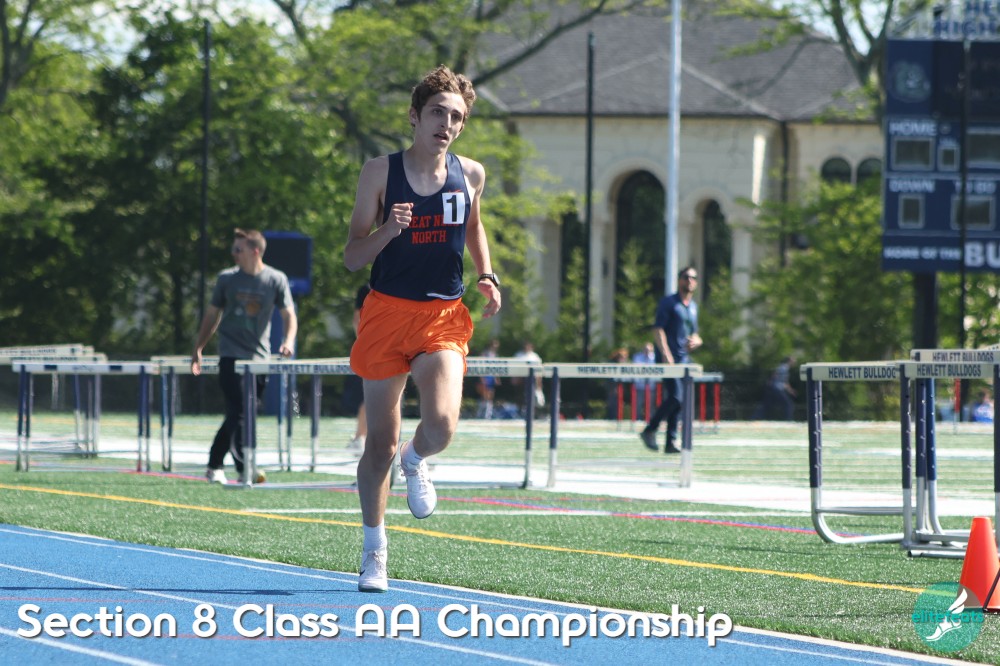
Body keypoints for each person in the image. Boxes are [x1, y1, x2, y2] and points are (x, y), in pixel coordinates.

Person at [343, 65, 501, 593]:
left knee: (442, 427)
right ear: (414, 116)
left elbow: (473, 225)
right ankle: (374, 550)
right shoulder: (379, 173)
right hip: (387, 314)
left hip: (442, 316)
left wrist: (486, 274)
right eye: (438, 113)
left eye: (457, 117)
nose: (447, 124)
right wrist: (390, 229)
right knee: (378, 446)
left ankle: (417, 459)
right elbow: (352, 256)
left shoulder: (471, 174)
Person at [191, 228, 298, 484]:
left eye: (238, 249)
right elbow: (212, 315)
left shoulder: (275, 279)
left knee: (241, 413)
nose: (233, 254)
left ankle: (215, 465)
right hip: (230, 356)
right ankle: (245, 467)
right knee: (239, 410)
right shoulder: (226, 279)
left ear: (255, 251)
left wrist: (288, 341)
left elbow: (289, 315)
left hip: (258, 359)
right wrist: (198, 347)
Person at [639, 267, 701, 454]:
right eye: (686, 277)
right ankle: (650, 429)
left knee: (680, 400)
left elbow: (694, 333)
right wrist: (666, 355)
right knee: (676, 396)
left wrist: (697, 340)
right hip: (668, 359)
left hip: (684, 359)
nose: (690, 280)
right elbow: (658, 329)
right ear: (679, 280)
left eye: (693, 278)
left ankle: (670, 442)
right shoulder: (669, 303)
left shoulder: (693, 307)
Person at [344, 284, 372, 453]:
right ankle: (360, 436)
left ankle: (360, 437)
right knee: (370, 394)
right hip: (374, 347)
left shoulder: (398, 283)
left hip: (389, 347)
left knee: (374, 394)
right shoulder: (367, 289)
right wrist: (364, 343)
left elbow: (356, 319)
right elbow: (357, 319)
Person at [752, 356, 796, 421]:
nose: (794, 362)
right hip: (777, 389)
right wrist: (790, 390)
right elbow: (779, 378)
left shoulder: (783, 367)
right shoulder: (784, 368)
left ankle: (754, 418)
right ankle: (789, 420)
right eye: (793, 361)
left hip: (774, 388)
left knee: (766, 405)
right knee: (788, 404)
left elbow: (783, 381)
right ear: (789, 361)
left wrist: (790, 390)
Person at [514, 341, 545, 408]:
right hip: (520, 379)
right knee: (520, 396)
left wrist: (539, 384)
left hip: (532, 380)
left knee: (532, 395)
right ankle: (521, 409)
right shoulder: (518, 355)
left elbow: (539, 371)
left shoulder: (535, 356)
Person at [476, 339, 501, 419]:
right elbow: (480, 366)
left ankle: (488, 415)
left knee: (490, 396)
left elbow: (495, 367)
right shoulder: (484, 354)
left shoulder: (495, 355)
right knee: (484, 396)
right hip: (485, 376)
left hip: (491, 377)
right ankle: (480, 414)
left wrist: (497, 378)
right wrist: (482, 378)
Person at [632, 342, 656, 420]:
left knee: (650, 404)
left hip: (651, 385)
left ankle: (651, 419)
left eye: (648, 349)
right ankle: (637, 419)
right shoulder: (637, 357)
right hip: (640, 385)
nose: (647, 351)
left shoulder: (655, 358)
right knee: (638, 403)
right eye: (645, 349)